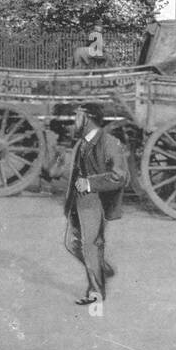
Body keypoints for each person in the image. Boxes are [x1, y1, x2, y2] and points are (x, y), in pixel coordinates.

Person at [63, 102, 128, 306]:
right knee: (71, 243)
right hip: (77, 201)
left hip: (96, 201)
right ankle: (102, 270)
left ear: (87, 118)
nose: (74, 121)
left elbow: (120, 176)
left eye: (77, 116)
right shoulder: (81, 143)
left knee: (90, 246)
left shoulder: (110, 143)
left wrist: (90, 183)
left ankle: (95, 293)